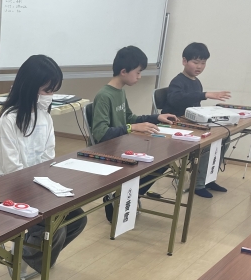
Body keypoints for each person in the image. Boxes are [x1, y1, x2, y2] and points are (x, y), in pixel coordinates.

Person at [0, 54, 87, 278]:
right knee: (55, 227)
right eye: (47, 90)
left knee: (77, 219)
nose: (50, 96)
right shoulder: (8, 121)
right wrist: (41, 192)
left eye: (53, 90)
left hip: (39, 185)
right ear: (30, 88)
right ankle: (25, 258)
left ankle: (33, 256)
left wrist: (48, 188)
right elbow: (12, 171)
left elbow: (48, 159)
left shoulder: (45, 117)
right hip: (12, 189)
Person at [91, 46, 178, 221]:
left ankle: (127, 196)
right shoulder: (104, 96)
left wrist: (156, 117)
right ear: (124, 71)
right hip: (108, 151)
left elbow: (130, 118)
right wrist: (132, 128)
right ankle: (118, 197)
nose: (139, 77)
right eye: (138, 72)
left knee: (163, 161)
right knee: (155, 162)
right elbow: (100, 133)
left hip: (122, 145)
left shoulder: (120, 91)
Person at [163, 42, 232, 198]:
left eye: (203, 63)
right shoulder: (178, 81)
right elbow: (175, 99)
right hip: (176, 124)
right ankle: (198, 184)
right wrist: (205, 95)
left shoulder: (196, 81)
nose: (199, 66)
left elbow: (195, 107)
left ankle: (208, 178)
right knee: (208, 143)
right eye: (195, 62)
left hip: (191, 123)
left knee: (224, 136)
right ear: (184, 61)